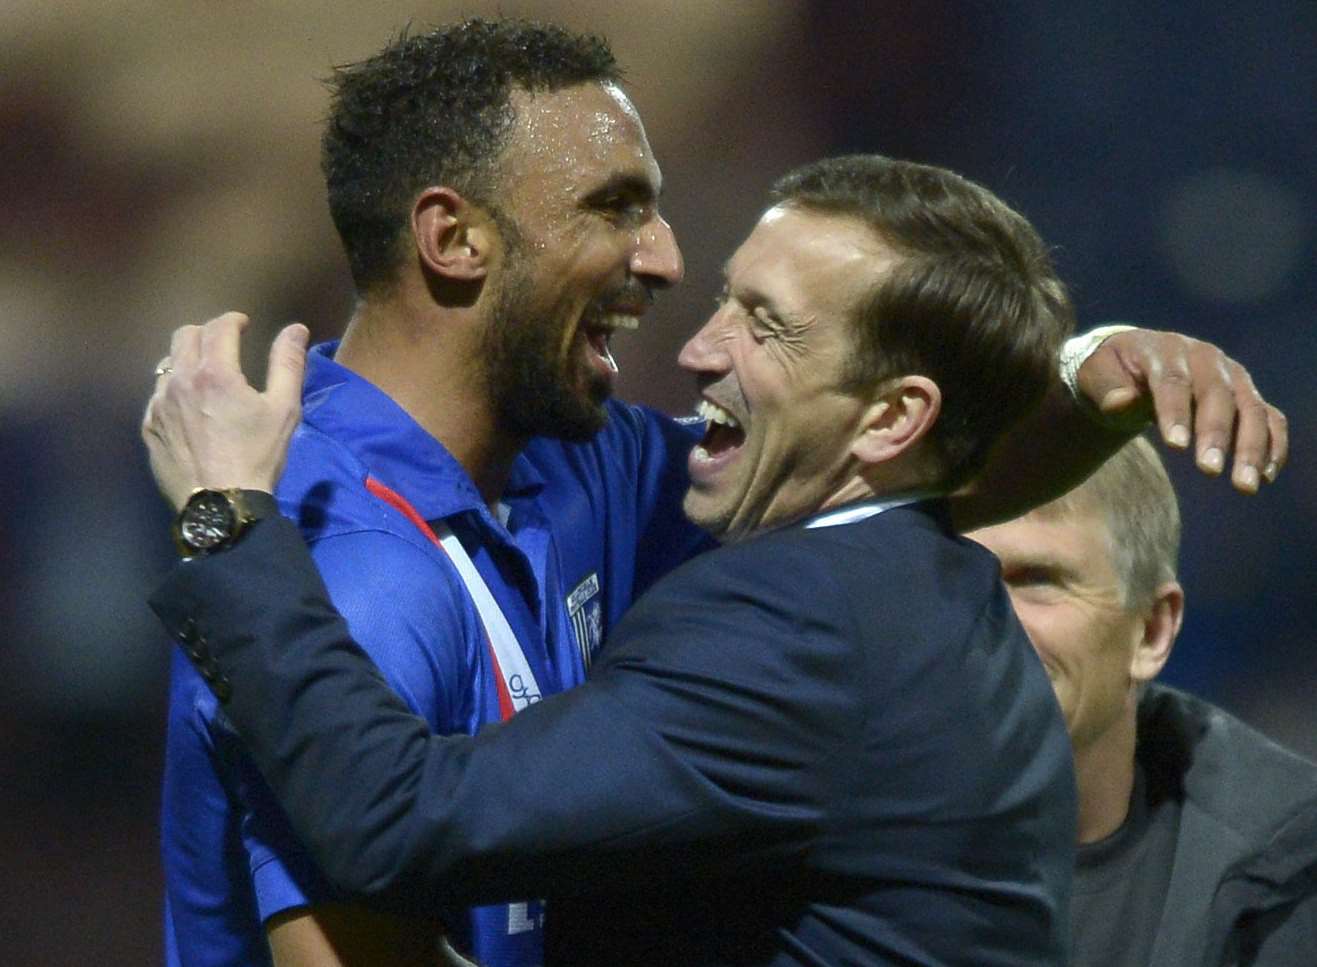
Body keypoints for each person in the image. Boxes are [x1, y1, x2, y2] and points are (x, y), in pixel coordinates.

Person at [145, 152, 1284, 965]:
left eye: (764, 324)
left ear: (891, 418)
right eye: (726, 301)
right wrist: (1079, 376)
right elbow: (962, 452)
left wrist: (223, 516)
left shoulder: (797, 630)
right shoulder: (908, 574)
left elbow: (391, 816)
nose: (695, 348)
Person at [152, 20, 708, 967]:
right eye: (613, 208)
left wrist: (1059, 367)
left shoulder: (565, 460)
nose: (664, 258)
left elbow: (858, 455)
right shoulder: (354, 572)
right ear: (453, 238)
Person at [969, 437, 1317, 966]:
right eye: (953, 580)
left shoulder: (1285, 871)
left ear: (1152, 632)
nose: (985, 620)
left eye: (1037, 579)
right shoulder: (813, 821)